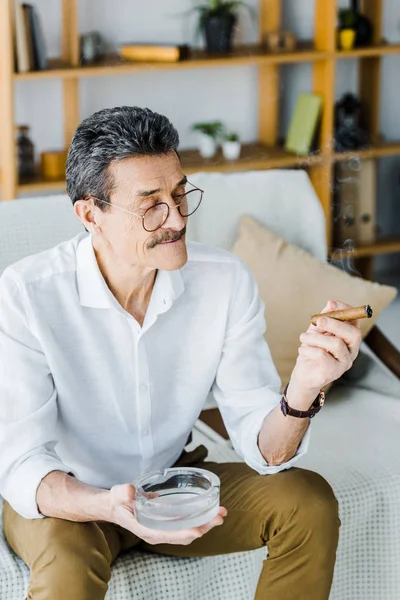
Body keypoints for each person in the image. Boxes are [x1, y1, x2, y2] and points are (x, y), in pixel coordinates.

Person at [0, 106, 362, 600]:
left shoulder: (224, 280)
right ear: (90, 215)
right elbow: (22, 466)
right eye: (150, 204)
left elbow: (267, 451)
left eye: (179, 193)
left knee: (308, 501)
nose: (175, 218)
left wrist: (303, 388)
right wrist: (109, 506)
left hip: (170, 487)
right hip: (74, 501)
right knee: (65, 565)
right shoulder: (26, 294)